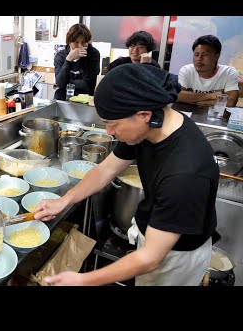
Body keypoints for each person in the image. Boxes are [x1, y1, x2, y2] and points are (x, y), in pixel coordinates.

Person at [34, 63, 219, 286]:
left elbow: (150, 258)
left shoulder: (185, 174)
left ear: (143, 115)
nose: (109, 132)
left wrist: (84, 280)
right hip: (153, 234)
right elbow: (106, 170)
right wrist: (64, 200)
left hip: (176, 257)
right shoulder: (151, 125)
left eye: (113, 124)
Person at [178, 35, 239, 107]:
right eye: (196, 54)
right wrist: (211, 96)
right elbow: (178, 96)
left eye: (205, 55)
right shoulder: (186, 70)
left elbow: (231, 102)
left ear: (216, 56)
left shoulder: (229, 72)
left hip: (215, 116)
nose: (199, 59)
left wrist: (197, 101)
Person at [54, 24, 100, 100]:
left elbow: (89, 85)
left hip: (85, 100)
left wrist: (68, 82)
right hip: (62, 98)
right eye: (76, 42)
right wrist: (68, 60)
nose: (80, 46)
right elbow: (60, 83)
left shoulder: (93, 54)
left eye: (84, 42)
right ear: (69, 42)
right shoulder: (60, 56)